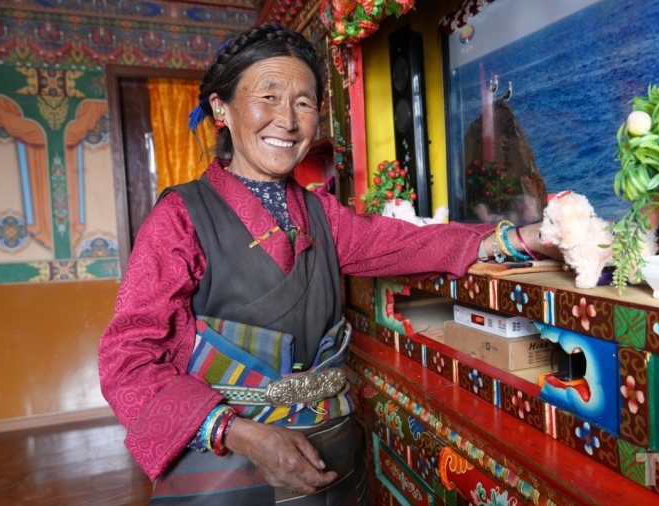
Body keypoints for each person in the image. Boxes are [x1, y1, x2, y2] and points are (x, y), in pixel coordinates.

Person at [98, 23, 559, 505]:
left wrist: (519, 237)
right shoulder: (179, 218)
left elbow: (409, 243)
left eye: (303, 103)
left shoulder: (321, 213)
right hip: (229, 467)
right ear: (221, 109)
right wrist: (239, 433)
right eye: (268, 97)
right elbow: (127, 361)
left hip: (334, 451)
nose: (287, 120)